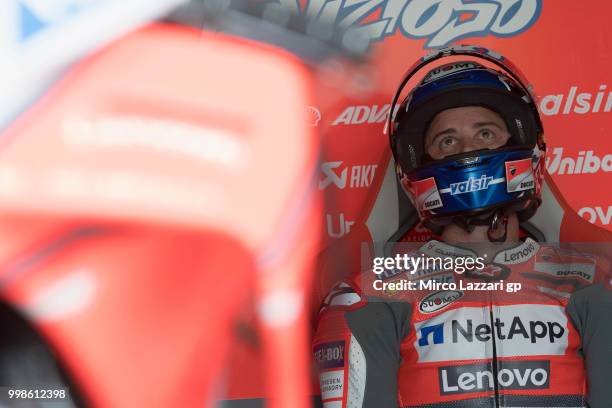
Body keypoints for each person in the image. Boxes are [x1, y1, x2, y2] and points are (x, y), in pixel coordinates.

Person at [313, 46, 611, 408]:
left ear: (522, 148)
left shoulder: (590, 283)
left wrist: (562, 224)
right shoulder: (372, 295)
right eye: (447, 141)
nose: (467, 149)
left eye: (485, 134)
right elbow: (291, 301)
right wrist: (377, 226)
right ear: (412, 169)